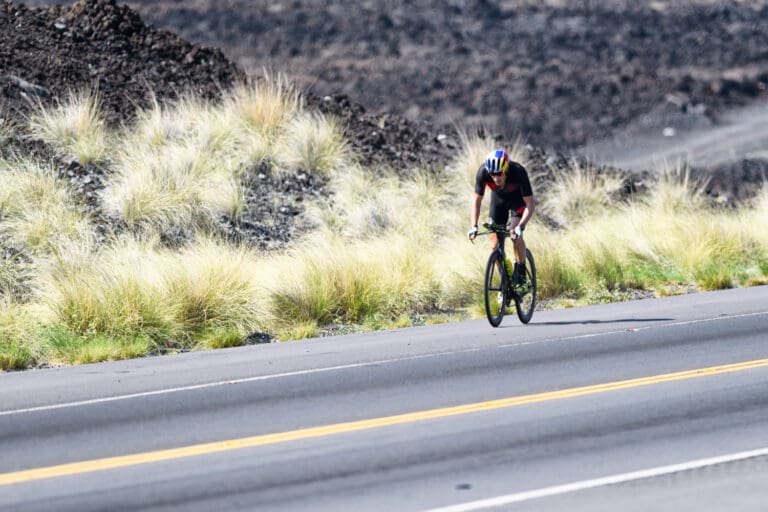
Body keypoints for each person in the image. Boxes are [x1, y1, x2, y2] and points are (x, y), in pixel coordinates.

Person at [467, 149, 535, 287]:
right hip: (499, 202)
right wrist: (474, 225)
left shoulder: (518, 172)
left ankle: (521, 270)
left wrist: (521, 226)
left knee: (513, 233)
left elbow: (530, 203)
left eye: (499, 174)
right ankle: (505, 279)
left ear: (506, 169)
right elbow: (476, 200)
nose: (496, 178)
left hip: (518, 201)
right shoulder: (483, 172)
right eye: (493, 174)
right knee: (494, 245)